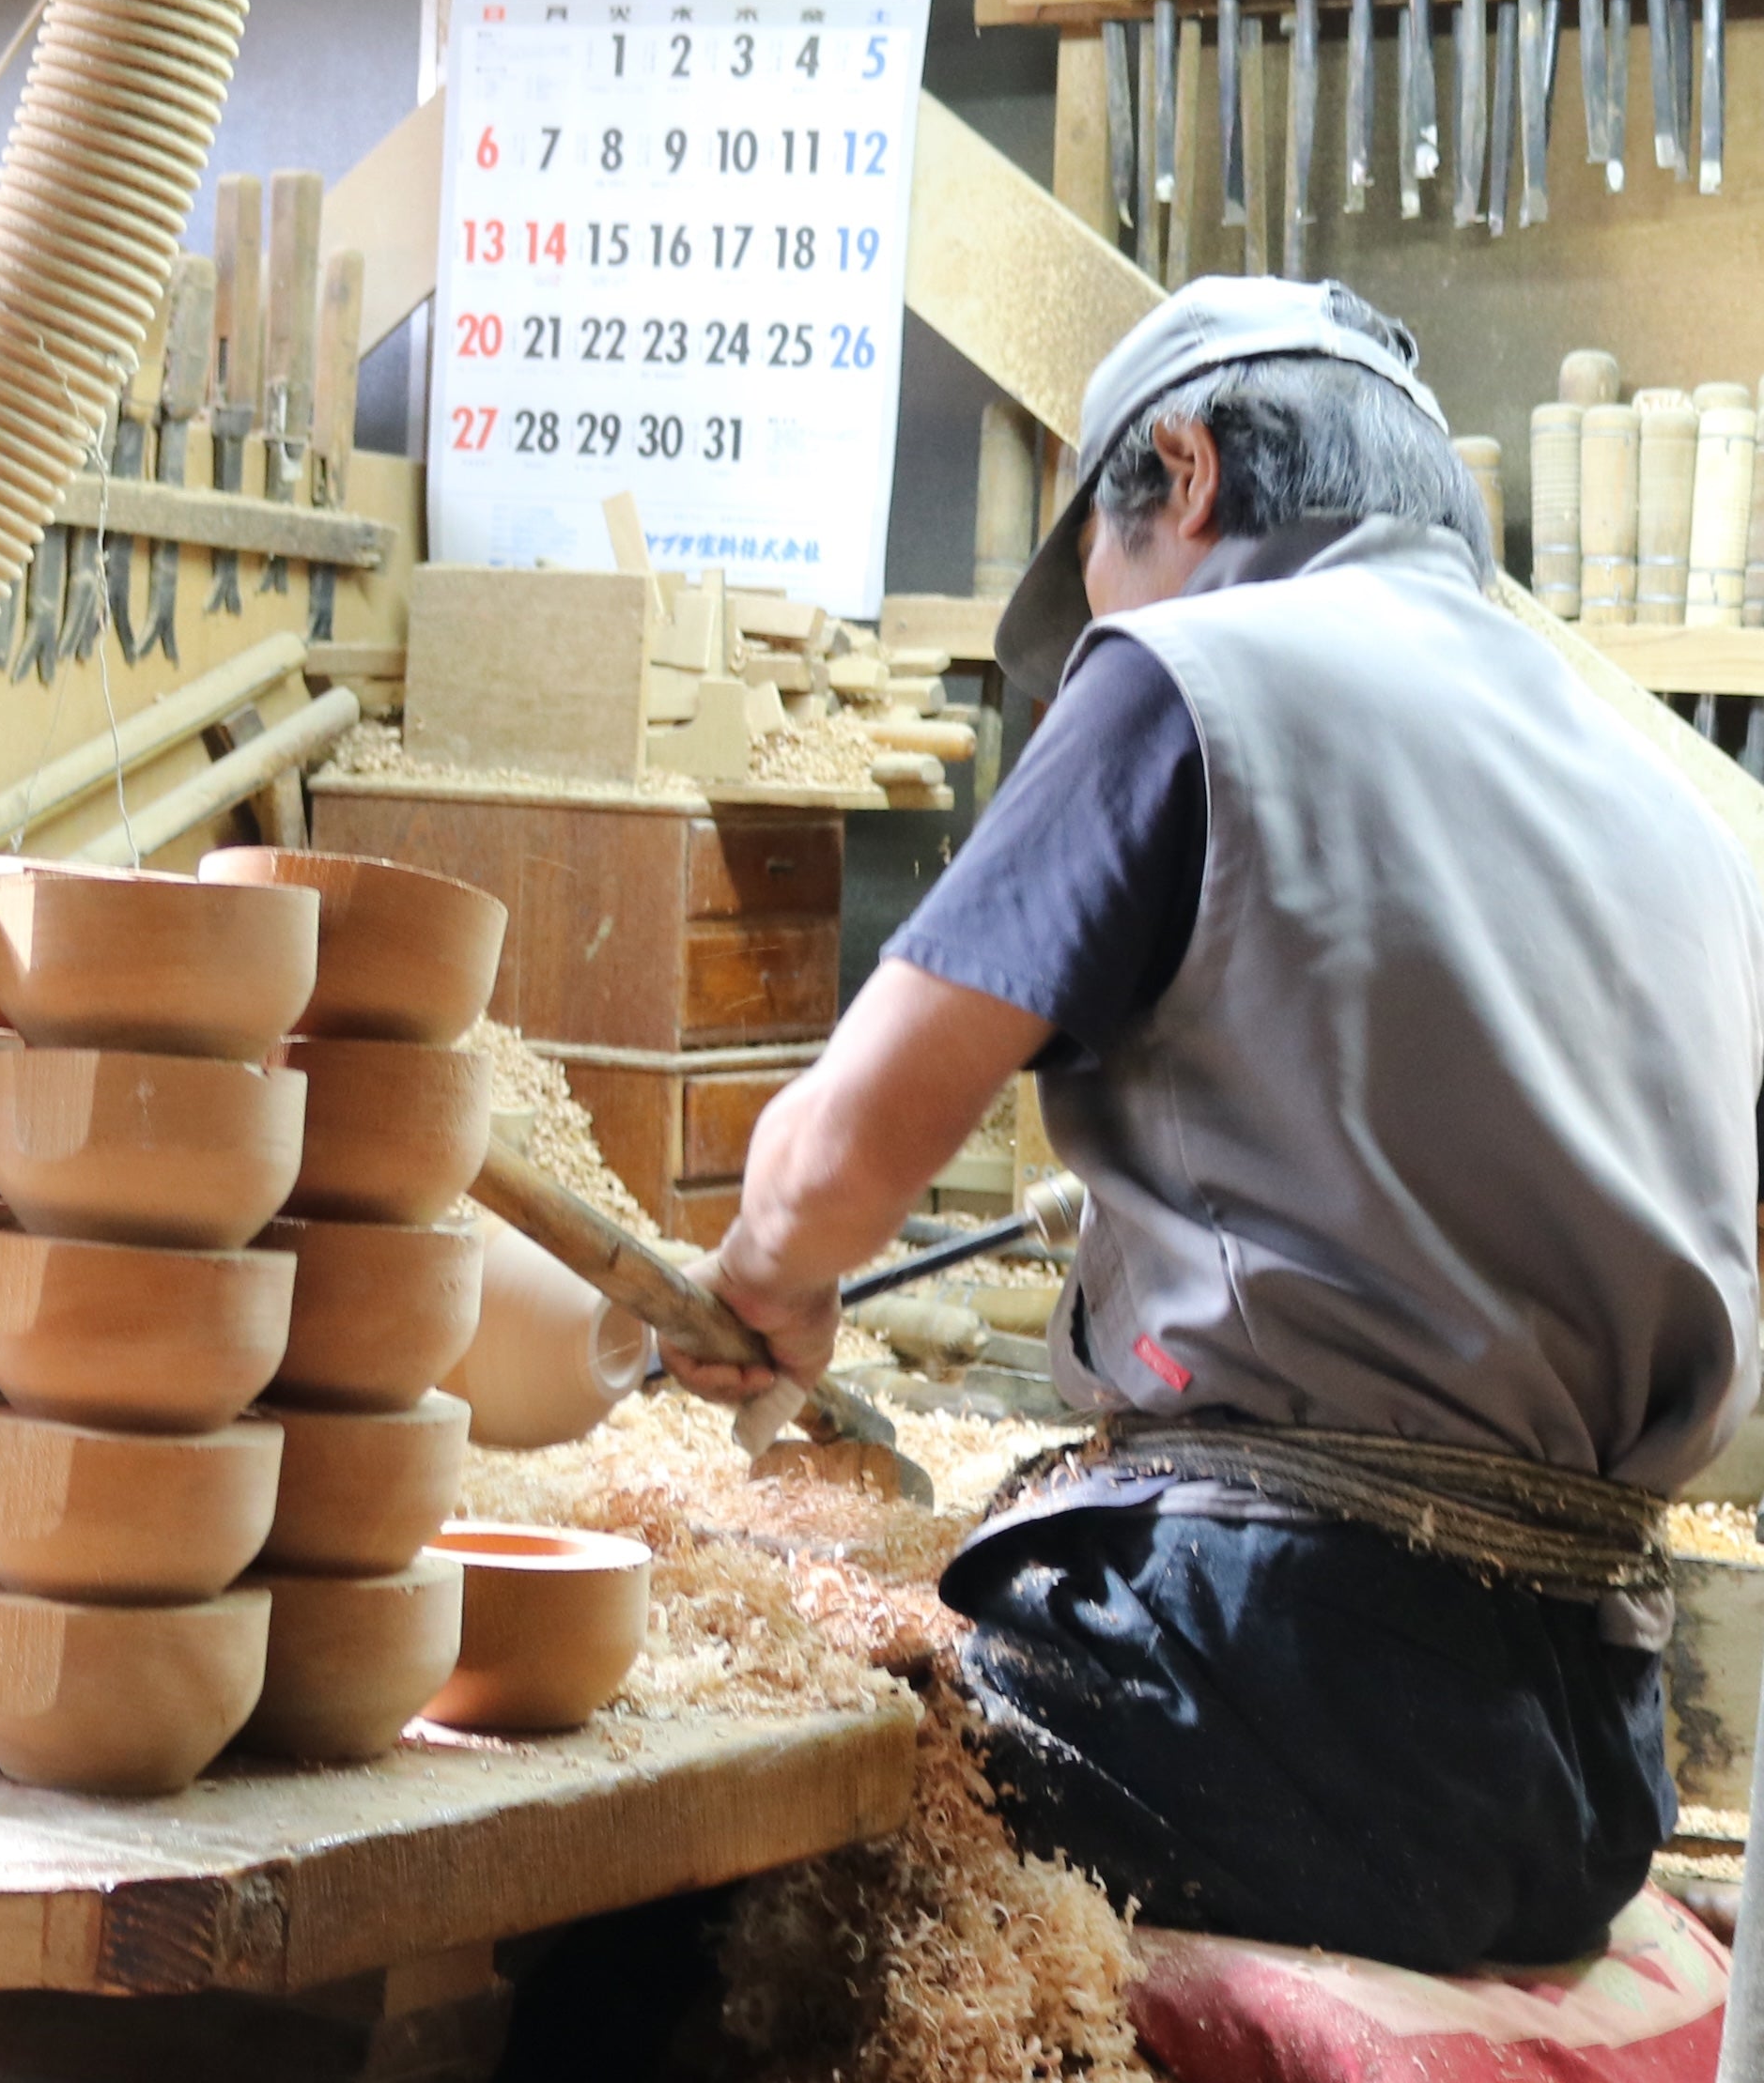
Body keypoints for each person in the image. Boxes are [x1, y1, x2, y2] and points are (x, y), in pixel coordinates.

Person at [666, 279, 1764, 1972]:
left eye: (1102, 580)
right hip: (1588, 1755)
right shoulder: (1660, 795)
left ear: (1180, 476)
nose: (1099, 641)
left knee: (706, 1793)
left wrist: (763, 1283)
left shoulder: (1198, 669)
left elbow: (829, 1166)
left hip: (1270, 1685)